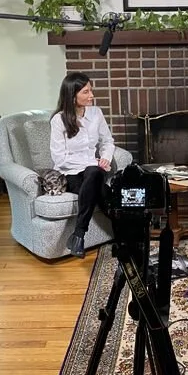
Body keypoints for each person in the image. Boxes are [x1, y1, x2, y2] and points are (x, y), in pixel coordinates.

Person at [50, 72, 115, 258]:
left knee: (94, 173)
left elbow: (108, 141)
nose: (91, 96)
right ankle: (127, 233)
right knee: (102, 190)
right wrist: (93, 162)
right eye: (86, 92)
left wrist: (106, 158)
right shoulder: (59, 120)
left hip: (93, 172)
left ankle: (79, 234)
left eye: (91, 90)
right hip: (70, 174)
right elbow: (60, 159)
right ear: (72, 95)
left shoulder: (96, 113)